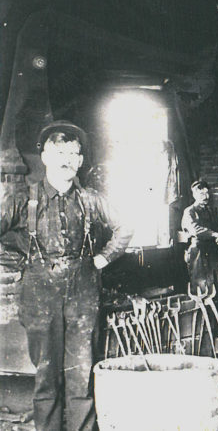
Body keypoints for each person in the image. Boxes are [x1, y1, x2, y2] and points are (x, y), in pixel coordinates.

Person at [0, 120, 133, 431]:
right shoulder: (23, 199)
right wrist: (16, 262)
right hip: (38, 295)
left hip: (83, 294)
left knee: (81, 375)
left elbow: (125, 226)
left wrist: (103, 257)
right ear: (44, 157)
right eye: (58, 151)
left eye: (73, 153)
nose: (66, 159)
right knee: (46, 377)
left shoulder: (91, 200)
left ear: (81, 161)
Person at [181, 179, 218, 293]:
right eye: (202, 193)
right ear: (194, 195)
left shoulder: (209, 211)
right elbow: (196, 230)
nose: (206, 196)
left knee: (217, 284)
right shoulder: (189, 212)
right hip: (198, 252)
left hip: (211, 251)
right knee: (200, 285)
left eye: (207, 193)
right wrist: (214, 234)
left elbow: (215, 227)